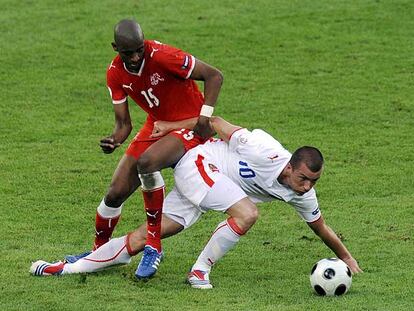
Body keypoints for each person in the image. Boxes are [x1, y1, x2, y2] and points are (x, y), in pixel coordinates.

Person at [31, 117, 363, 288]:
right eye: (303, 178)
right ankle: (199, 271)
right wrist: (172, 126)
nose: (306, 187)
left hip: (214, 186)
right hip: (202, 163)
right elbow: (216, 123)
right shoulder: (261, 148)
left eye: (313, 182)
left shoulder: (302, 193)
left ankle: (67, 267)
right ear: (289, 166)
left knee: (147, 237)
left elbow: (319, 227)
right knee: (247, 213)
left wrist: (346, 256)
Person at [68, 19, 223, 279]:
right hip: (157, 125)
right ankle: (99, 254)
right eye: (129, 52)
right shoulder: (115, 73)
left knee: (147, 162)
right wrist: (114, 140)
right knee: (115, 192)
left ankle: (153, 245)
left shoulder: (164, 56)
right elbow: (124, 125)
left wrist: (204, 118)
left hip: (190, 125)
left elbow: (214, 75)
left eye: (140, 49)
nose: (137, 56)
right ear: (115, 48)